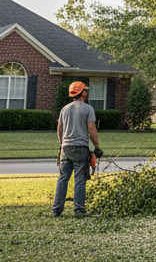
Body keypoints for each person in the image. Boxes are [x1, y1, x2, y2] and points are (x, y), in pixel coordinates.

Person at [52, 80, 102, 217]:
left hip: (65, 148)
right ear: (83, 93)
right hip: (80, 147)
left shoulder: (65, 109)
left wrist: (62, 144)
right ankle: (79, 210)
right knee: (80, 179)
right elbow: (91, 128)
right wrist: (97, 147)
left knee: (63, 178)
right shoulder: (88, 109)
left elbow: (59, 129)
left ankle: (57, 209)